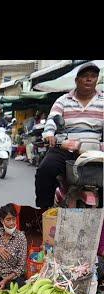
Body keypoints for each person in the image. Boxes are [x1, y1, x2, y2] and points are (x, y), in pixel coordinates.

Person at [35, 62, 104, 211]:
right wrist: (49, 135)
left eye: (93, 76)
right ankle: (44, 212)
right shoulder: (63, 100)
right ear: (77, 80)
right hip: (66, 147)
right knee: (45, 171)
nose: (89, 79)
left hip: (95, 150)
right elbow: (52, 120)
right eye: (85, 76)